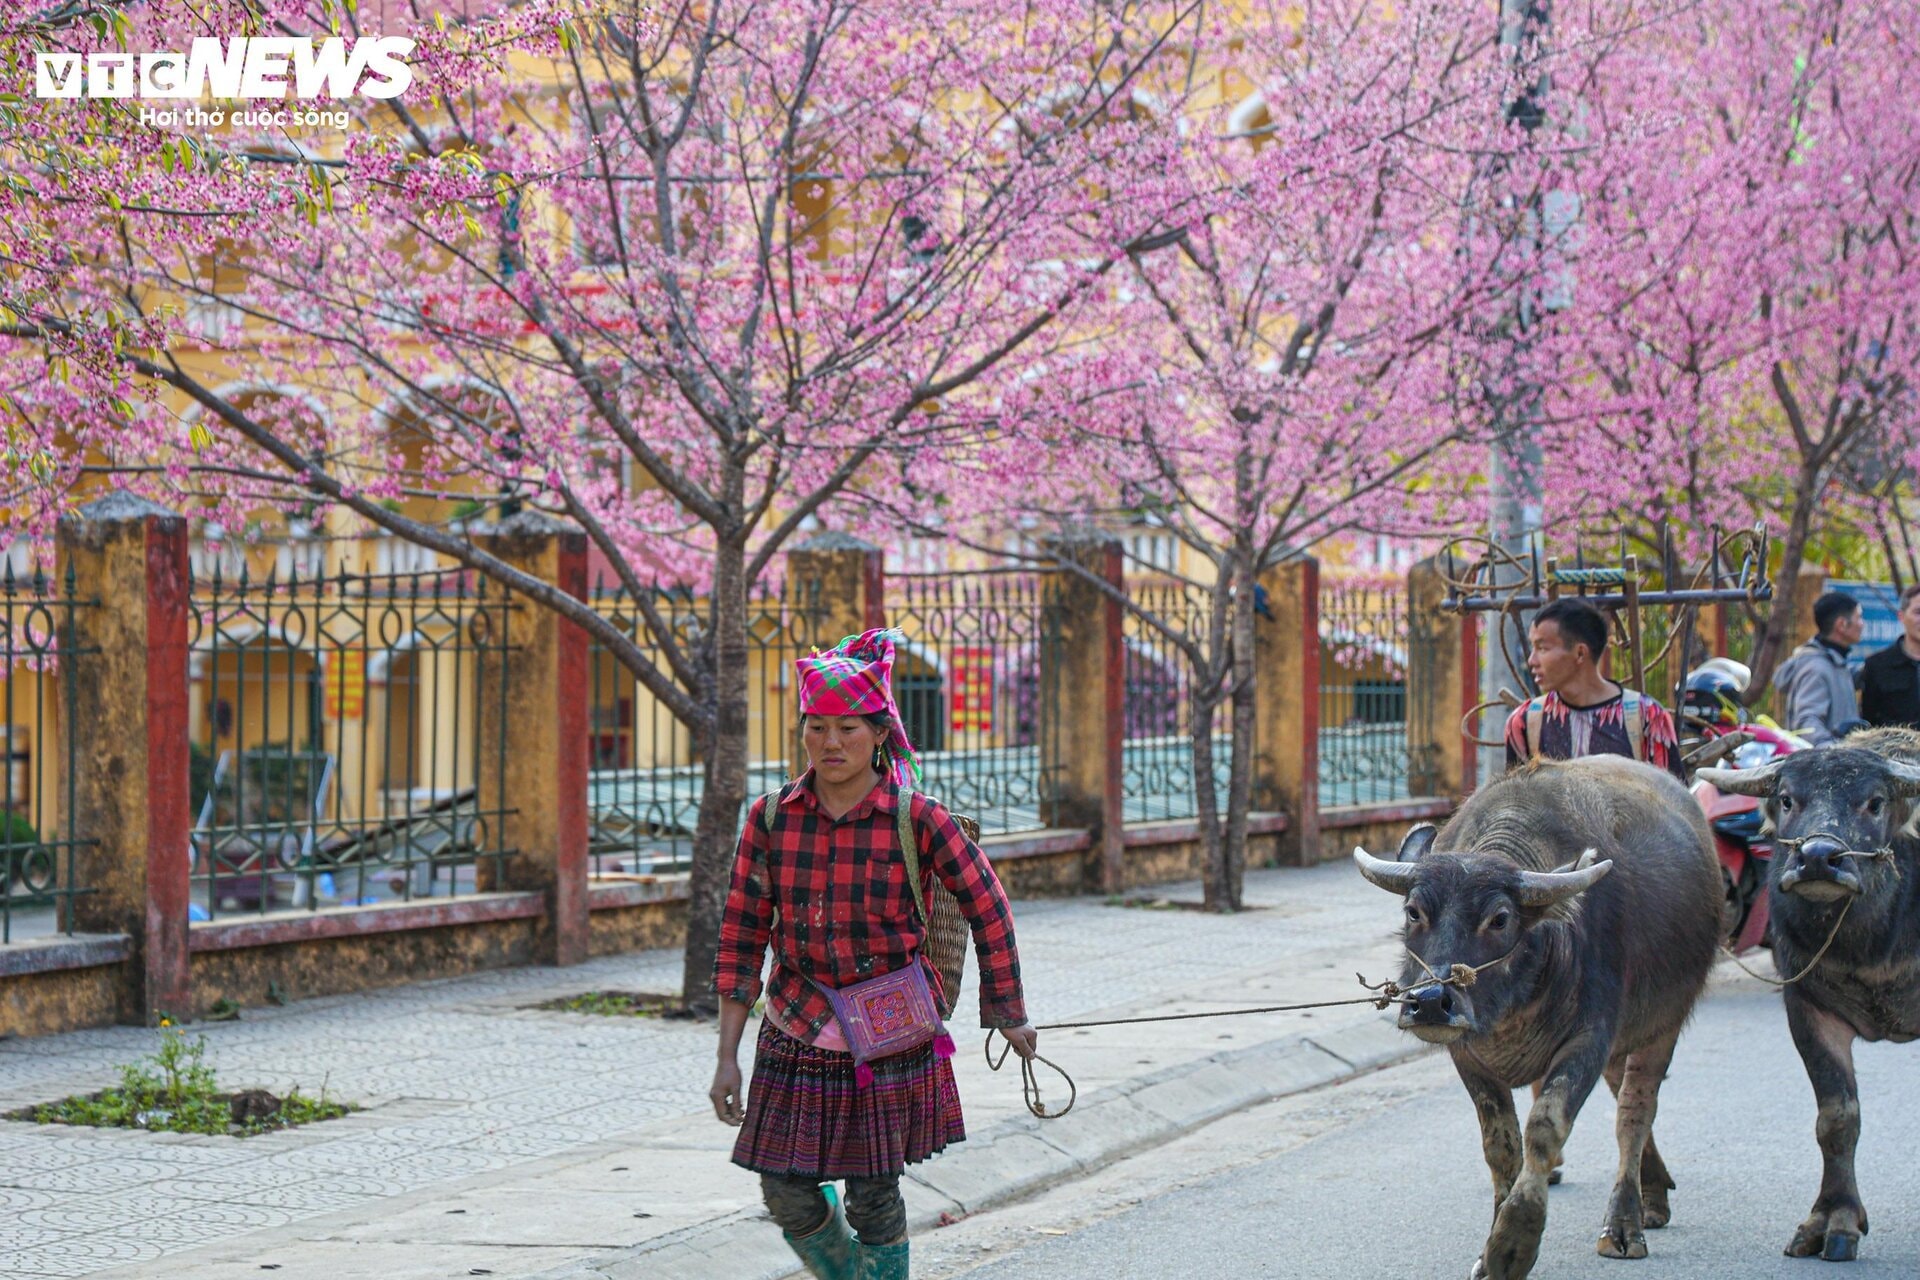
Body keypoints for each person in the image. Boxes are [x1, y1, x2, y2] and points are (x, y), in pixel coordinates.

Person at [710, 627, 1037, 1280]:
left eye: (849, 728)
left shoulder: (918, 818)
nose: (831, 743)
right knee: (784, 1189)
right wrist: (726, 1057)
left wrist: (1008, 1011)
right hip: (794, 1027)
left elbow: (989, 909)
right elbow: (742, 935)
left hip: (886, 1031)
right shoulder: (770, 819)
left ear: (881, 732)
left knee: (874, 1194)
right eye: (817, 726)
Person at [1504, 596, 1687, 783]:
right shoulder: (1524, 723)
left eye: (1542, 648)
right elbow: (1513, 806)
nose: (1531, 661)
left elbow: (1674, 803)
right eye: (1533, 648)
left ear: (1580, 653)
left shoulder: (1648, 718)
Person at [1771, 590, 1863, 744]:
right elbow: (1806, 723)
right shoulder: (1816, 669)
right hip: (1828, 764)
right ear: (1842, 625)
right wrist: (1832, 751)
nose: (1862, 624)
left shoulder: (1834, 663)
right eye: (1859, 617)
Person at [1859, 584, 1920, 728]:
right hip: (1893, 748)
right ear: (1901, 616)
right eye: (1918, 612)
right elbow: (1868, 720)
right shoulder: (1877, 665)